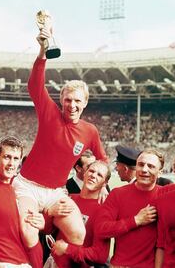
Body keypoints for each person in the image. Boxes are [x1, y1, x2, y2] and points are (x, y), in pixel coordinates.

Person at [12, 26, 108, 268]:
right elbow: (35, 86)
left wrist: (103, 183)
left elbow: (103, 160)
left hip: (56, 192)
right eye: (67, 100)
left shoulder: (90, 131)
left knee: (77, 233)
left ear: (85, 103)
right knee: (28, 231)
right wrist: (43, 52)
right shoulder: (50, 113)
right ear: (61, 101)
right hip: (28, 187)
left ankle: (54, 264)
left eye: (77, 101)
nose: (72, 105)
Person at [0, 136, 42, 268]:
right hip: (3, 263)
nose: (11, 164)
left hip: (24, 262)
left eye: (16, 158)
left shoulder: (18, 189)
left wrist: (41, 222)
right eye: (7, 157)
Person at [52, 160, 111, 268]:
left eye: (99, 175)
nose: (93, 176)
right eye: (91, 171)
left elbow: (100, 255)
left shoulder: (103, 210)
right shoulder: (69, 198)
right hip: (55, 263)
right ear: (85, 173)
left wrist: (67, 249)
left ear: (104, 183)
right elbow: (48, 229)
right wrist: (51, 211)